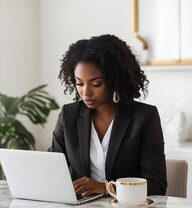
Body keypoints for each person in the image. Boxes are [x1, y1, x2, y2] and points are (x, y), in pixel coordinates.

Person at [49, 34, 167, 197]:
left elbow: (157, 185)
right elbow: (51, 170)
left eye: (96, 84)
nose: (86, 92)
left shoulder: (145, 117)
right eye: (79, 83)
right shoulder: (68, 115)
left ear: (115, 80)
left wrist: (106, 188)